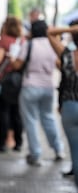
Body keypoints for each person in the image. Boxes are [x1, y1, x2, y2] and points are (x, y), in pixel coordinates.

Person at [12, 20, 64, 166]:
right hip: (48, 86)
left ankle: (36, 155)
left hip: (30, 86)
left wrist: (12, 59)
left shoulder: (29, 44)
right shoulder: (52, 45)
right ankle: (59, 149)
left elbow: (17, 65)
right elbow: (60, 64)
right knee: (49, 118)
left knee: (31, 121)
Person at [47, 20, 78, 193]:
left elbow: (49, 32)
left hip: (69, 106)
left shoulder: (66, 54)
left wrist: (70, 29)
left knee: (76, 155)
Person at [0, 16, 24, 152]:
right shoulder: (22, 40)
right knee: (16, 111)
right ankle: (18, 142)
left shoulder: (5, 39)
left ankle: (1, 142)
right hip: (18, 80)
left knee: (3, 111)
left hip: (5, 80)